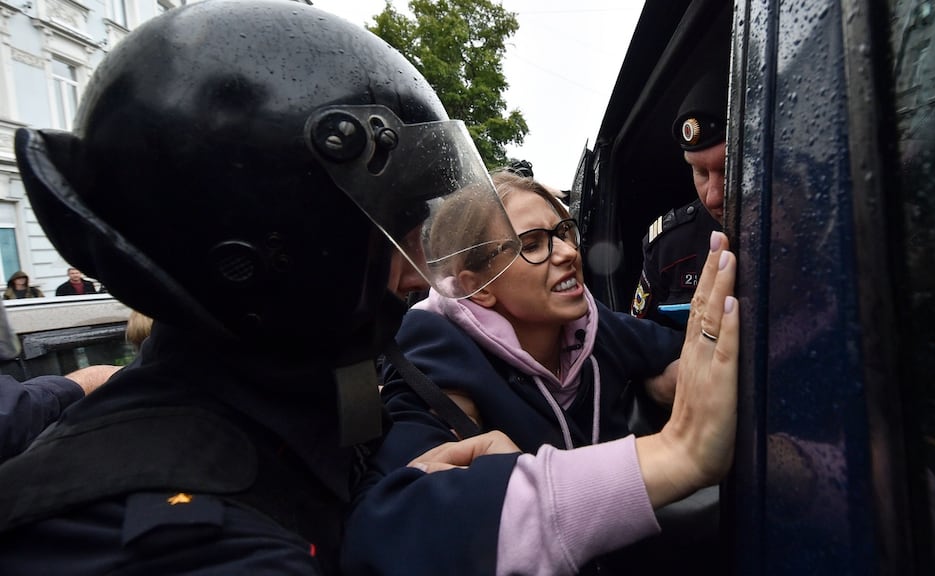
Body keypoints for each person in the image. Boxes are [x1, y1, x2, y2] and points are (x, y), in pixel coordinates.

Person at [0, 1, 523, 572]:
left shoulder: (287, 401)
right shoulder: (178, 543)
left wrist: (396, 501)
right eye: (398, 228)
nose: (420, 266)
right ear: (289, 251)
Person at [341, 170, 739, 574]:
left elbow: (680, 356)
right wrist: (676, 449)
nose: (566, 252)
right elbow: (393, 524)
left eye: (564, 231)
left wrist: (661, 383)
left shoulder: (591, 324)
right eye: (532, 245)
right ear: (478, 286)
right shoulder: (436, 351)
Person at [631, 66, 727, 328]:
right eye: (701, 172)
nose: (713, 198)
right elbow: (640, 346)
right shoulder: (669, 247)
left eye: (729, 170)